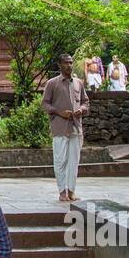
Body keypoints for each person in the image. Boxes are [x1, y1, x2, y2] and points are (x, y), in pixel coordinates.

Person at [41, 54, 90, 203]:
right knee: (60, 161)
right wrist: (58, 112)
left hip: (76, 126)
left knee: (74, 161)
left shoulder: (78, 83)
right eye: (66, 63)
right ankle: (62, 192)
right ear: (59, 65)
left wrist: (81, 110)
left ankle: (71, 191)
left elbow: (85, 102)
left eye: (71, 62)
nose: (69, 65)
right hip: (60, 127)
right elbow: (45, 104)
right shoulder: (52, 83)